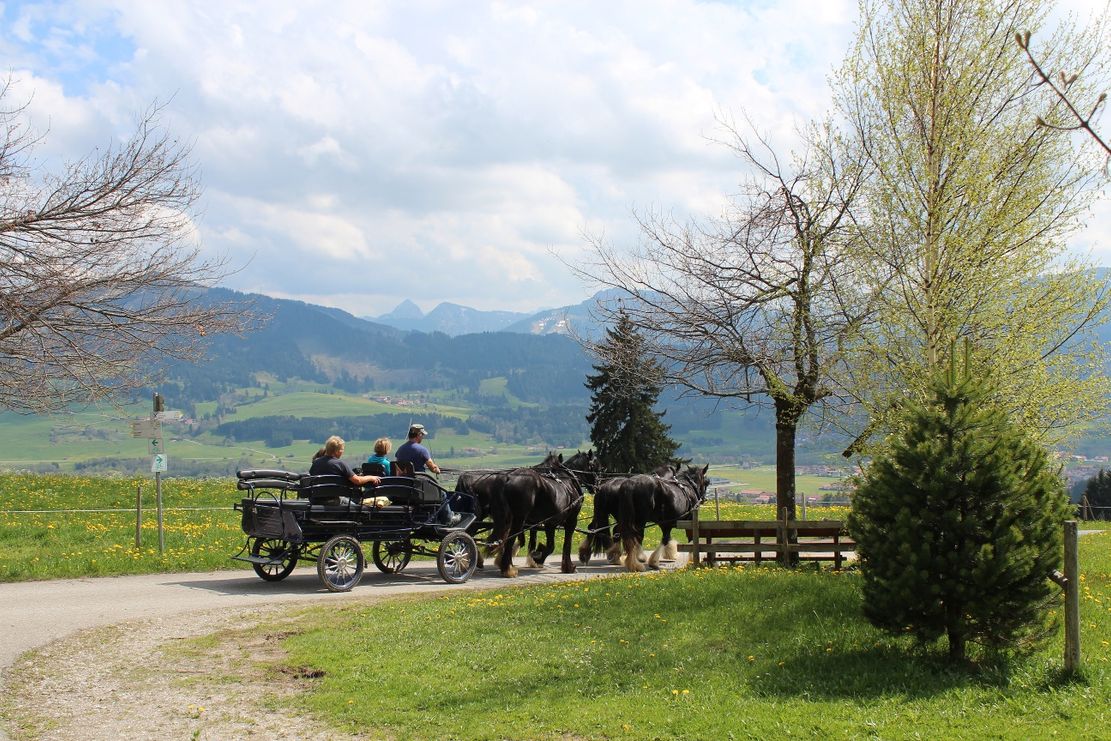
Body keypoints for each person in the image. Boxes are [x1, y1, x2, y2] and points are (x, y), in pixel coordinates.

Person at [395, 424, 459, 525]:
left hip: (404, 487)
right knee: (442, 494)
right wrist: (437, 469)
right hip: (419, 486)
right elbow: (432, 468)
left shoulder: (400, 449)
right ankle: (448, 519)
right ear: (418, 435)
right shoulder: (421, 450)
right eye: (422, 435)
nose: (423, 437)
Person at [309, 435, 382, 493]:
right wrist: (371, 477)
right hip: (334, 500)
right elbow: (358, 481)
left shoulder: (316, 462)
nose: (343, 451)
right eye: (342, 449)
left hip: (315, 499)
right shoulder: (340, 464)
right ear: (337, 451)